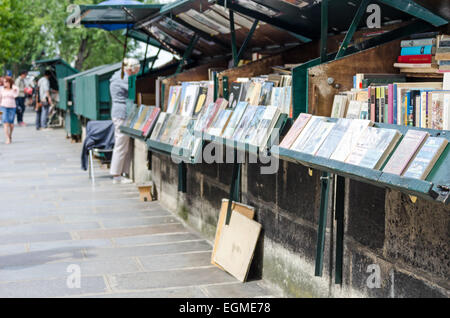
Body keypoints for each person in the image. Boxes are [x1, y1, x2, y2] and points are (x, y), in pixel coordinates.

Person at [109, 58, 141, 184]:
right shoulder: (123, 79)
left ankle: (122, 172)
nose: (136, 73)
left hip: (120, 112)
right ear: (130, 69)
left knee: (123, 144)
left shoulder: (118, 76)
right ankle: (116, 175)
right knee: (121, 144)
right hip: (121, 113)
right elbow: (134, 89)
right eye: (136, 71)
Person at [0, 76, 19, 144]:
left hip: (12, 107)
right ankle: (7, 137)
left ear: (9, 82)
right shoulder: (1, 90)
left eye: (6, 82)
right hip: (3, 107)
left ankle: (10, 135)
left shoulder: (14, 89)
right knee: (5, 122)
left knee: (11, 124)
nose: (4, 83)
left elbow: (16, 95)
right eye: (4, 82)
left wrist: (12, 86)